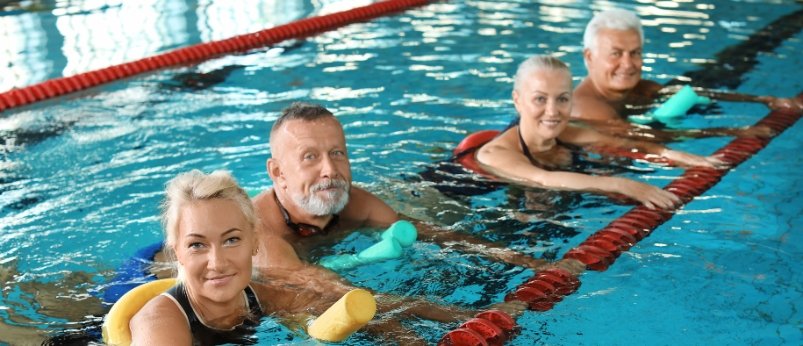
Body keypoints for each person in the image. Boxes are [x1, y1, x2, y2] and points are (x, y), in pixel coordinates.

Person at [128, 169, 381, 346]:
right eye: (197, 245)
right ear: (178, 253)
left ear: (255, 241)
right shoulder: (158, 320)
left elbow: (328, 307)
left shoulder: (260, 296)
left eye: (231, 240)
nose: (216, 262)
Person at [252, 102, 578, 273]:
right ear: (278, 172)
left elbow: (432, 233)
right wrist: (456, 317)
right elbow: (322, 291)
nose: (330, 170)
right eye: (310, 157)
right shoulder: (259, 234)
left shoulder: (355, 203)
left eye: (337, 153)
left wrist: (529, 262)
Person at [475, 55, 722, 210]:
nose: (552, 112)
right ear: (517, 101)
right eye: (540, 99)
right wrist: (623, 185)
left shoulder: (567, 133)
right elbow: (544, 179)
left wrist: (678, 156)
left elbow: (624, 143)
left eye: (562, 99)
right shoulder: (496, 153)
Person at [572, 8, 803, 141]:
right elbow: (644, 137)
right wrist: (731, 132)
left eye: (635, 53)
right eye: (616, 54)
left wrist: (764, 100)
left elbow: (691, 93)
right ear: (590, 57)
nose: (628, 64)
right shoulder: (587, 107)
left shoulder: (641, 87)